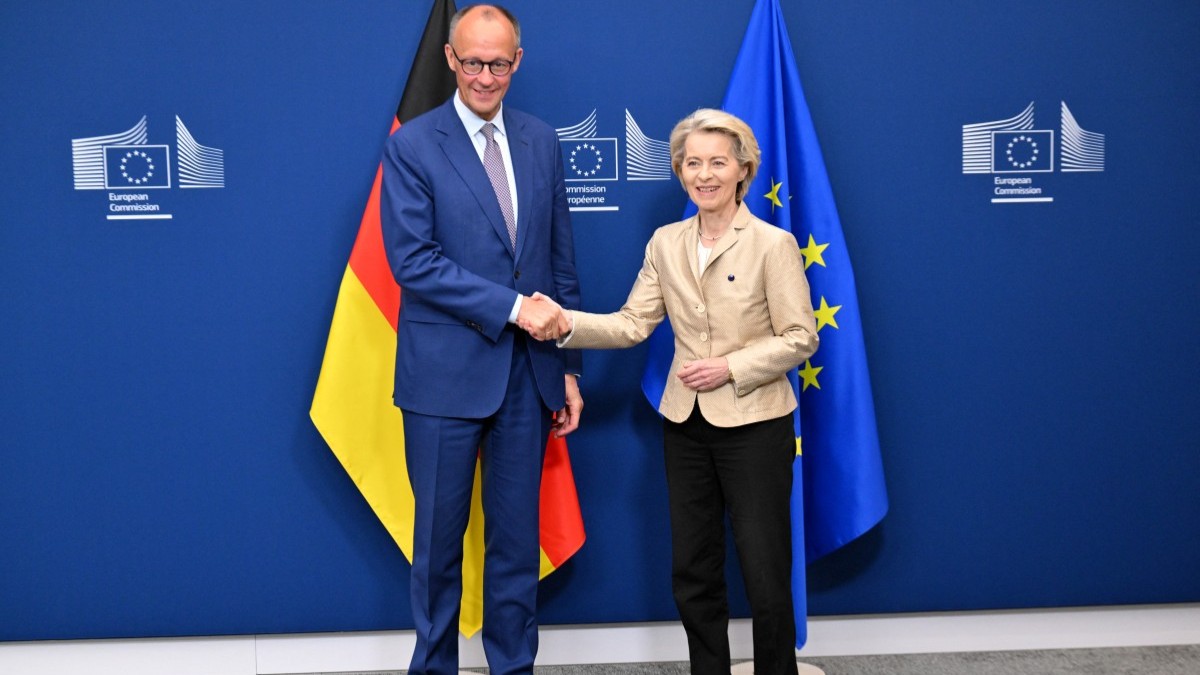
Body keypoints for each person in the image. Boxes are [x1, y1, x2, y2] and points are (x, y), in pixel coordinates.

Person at [529, 108, 818, 675]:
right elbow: (632, 323)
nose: (704, 174)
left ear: (743, 169)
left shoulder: (772, 244)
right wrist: (564, 321)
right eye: (692, 163)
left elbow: (800, 337)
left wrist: (730, 367)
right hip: (685, 426)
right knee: (693, 568)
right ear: (680, 172)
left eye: (717, 162)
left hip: (756, 426)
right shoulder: (666, 242)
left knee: (764, 572)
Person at [378, 4, 583, 674]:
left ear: (517, 61)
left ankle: (512, 666)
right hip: (442, 379)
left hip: (528, 379)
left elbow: (558, 260)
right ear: (450, 60)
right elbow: (414, 262)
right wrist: (517, 308)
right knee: (437, 550)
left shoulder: (541, 139)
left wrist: (569, 366)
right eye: (472, 62)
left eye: (498, 62)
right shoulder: (413, 144)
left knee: (516, 547)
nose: (485, 76)